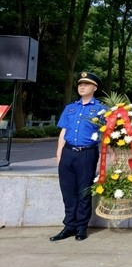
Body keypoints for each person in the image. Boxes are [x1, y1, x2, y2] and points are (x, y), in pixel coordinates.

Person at [50, 71, 107, 242]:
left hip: (87, 153)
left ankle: (82, 227)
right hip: (68, 152)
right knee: (68, 191)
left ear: (94, 88)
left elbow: (107, 134)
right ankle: (69, 226)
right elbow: (63, 131)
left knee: (83, 191)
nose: (82, 86)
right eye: (80, 84)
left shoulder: (101, 110)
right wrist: (59, 153)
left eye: (86, 84)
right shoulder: (70, 108)